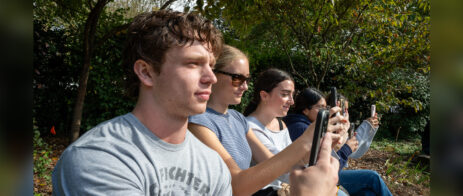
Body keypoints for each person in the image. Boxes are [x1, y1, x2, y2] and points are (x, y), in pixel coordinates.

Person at [52, 10, 233, 195]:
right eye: (193, 63)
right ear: (146, 72)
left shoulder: (214, 165)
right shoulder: (97, 156)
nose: (212, 78)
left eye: (211, 66)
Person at [188, 45, 349, 195]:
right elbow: (235, 185)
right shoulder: (197, 122)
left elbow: (276, 164)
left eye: (247, 80)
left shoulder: (238, 119)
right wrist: (307, 140)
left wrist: (320, 145)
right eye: (237, 78)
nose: (244, 86)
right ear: (212, 75)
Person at [244, 68, 349, 196]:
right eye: (285, 94)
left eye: (292, 95)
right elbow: (279, 170)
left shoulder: (281, 124)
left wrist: (326, 145)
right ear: (264, 95)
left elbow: (297, 161)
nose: (292, 101)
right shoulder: (250, 127)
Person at [284, 88, 392, 196]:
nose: (326, 112)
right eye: (320, 108)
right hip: (313, 184)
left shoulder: (310, 126)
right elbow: (321, 169)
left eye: (326, 107)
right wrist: (346, 149)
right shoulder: (301, 129)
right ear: (305, 110)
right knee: (372, 177)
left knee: (368, 193)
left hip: (320, 179)